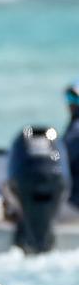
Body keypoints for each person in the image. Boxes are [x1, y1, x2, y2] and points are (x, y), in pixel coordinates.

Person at [63, 81, 79, 209]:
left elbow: (63, 160)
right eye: (69, 98)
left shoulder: (75, 131)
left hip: (74, 203)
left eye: (75, 99)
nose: (71, 103)